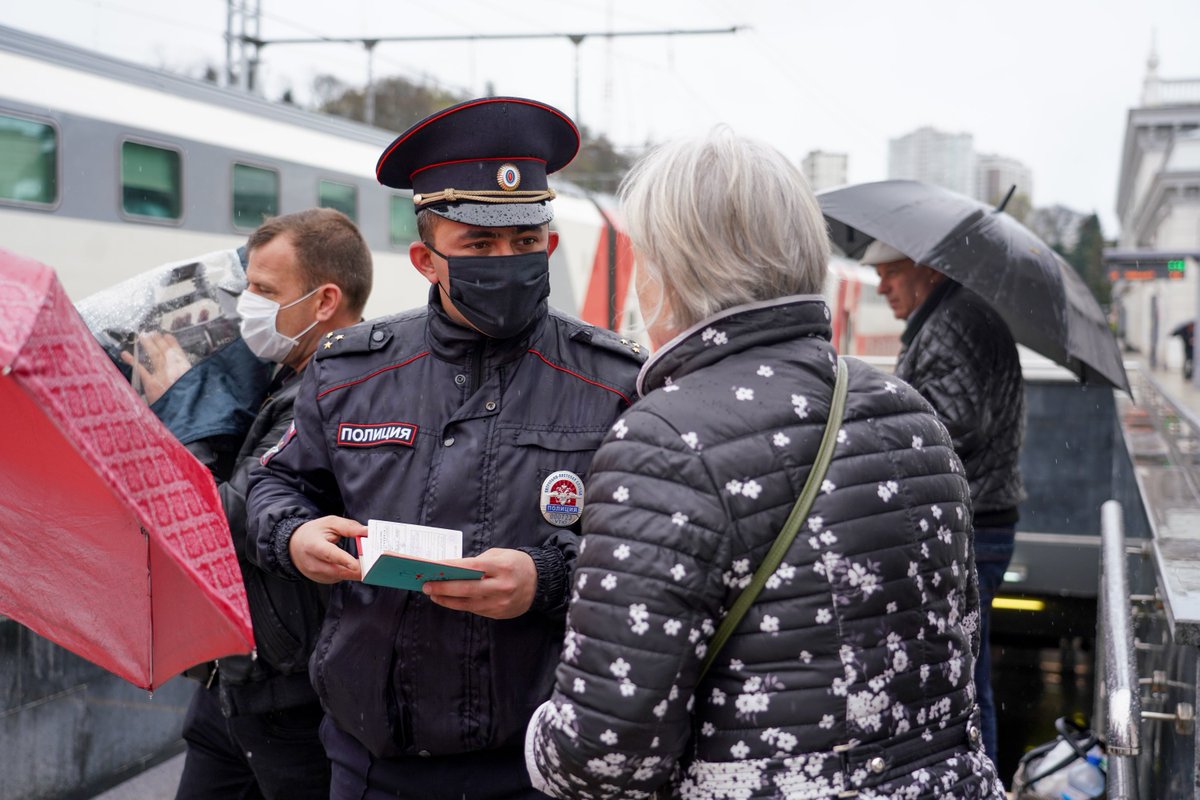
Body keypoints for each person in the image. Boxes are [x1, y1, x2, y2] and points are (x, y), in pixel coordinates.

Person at [524, 129, 1004, 799]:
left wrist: (539, 734)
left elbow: (604, 758)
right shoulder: (909, 413)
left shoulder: (665, 438)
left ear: (674, 267)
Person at [245, 97, 643, 800]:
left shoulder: (611, 382)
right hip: (372, 763)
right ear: (426, 258)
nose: (508, 262)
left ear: (549, 246)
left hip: (539, 765)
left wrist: (548, 579)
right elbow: (275, 486)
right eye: (480, 247)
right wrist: (294, 534)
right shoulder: (349, 371)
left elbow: (649, 553)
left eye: (525, 244)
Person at [126, 208, 373, 800]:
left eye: (265, 291)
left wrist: (180, 403)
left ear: (323, 301)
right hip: (234, 676)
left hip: (287, 691)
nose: (248, 307)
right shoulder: (281, 373)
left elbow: (219, 515)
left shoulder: (339, 393)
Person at [863, 237, 1025, 767]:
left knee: (962, 680)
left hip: (969, 527)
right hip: (976, 521)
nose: (881, 285)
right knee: (965, 672)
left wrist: (880, 418)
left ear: (926, 268)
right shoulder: (954, 315)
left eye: (890, 271)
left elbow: (956, 421)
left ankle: (978, 779)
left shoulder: (957, 321)